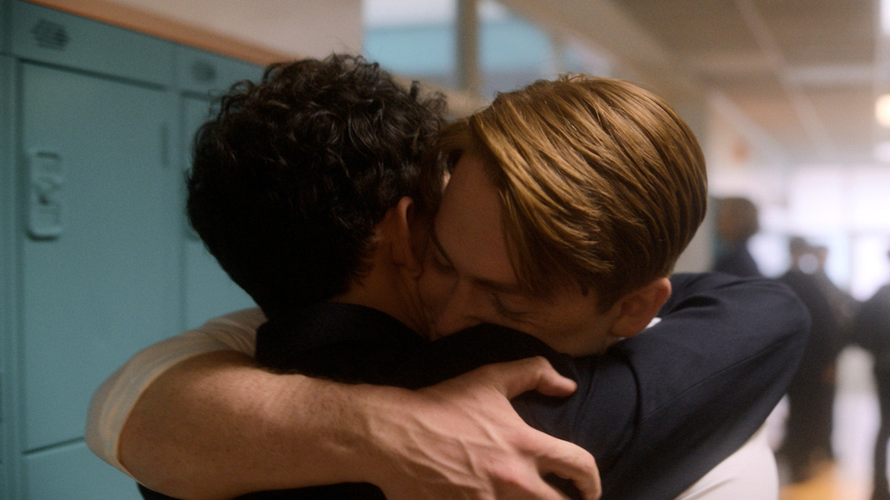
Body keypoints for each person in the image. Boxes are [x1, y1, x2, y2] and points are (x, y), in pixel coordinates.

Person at [87, 56, 809, 500]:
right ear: (410, 228)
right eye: (445, 261)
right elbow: (770, 317)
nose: (458, 314)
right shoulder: (542, 412)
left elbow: (120, 407)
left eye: (507, 297)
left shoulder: (196, 445)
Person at [777, 237, 845, 482]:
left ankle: (798, 457)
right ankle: (799, 461)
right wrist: (829, 359)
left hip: (791, 361)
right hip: (811, 363)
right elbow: (826, 323)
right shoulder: (809, 283)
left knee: (799, 412)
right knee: (808, 413)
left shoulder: (781, 282)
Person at [853, 249, 890, 500]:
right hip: (885, 367)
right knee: (884, 426)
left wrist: (877, 351)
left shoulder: (879, 296)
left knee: (884, 426)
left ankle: (879, 488)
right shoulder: (880, 296)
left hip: (883, 366)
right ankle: (878, 486)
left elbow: (858, 332)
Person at [712, 196, 762, 277]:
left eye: (722, 214)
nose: (718, 220)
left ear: (736, 220)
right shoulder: (737, 258)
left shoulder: (734, 263)